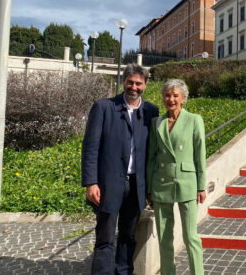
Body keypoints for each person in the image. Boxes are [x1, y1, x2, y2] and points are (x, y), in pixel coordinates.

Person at [81, 64, 159, 275]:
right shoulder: (104, 107)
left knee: (128, 236)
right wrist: (91, 182)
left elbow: (154, 153)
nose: (134, 87)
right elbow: (90, 147)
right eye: (130, 82)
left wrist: (152, 187)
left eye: (138, 83)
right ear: (123, 82)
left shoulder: (152, 111)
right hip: (108, 184)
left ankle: (124, 271)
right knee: (105, 238)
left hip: (136, 185)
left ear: (145, 85)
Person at [147, 79, 206, 275]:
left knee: (191, 236)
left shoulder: (194, 120)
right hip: (161, 183)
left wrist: (201, 186)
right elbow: (152, 158)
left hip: (187, 183)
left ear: (183, 98)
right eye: (167, 95)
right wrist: (149, 188)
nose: (170, 99)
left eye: (175, 95)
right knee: (164, 237)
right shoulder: (157, 122)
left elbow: (200, 155)